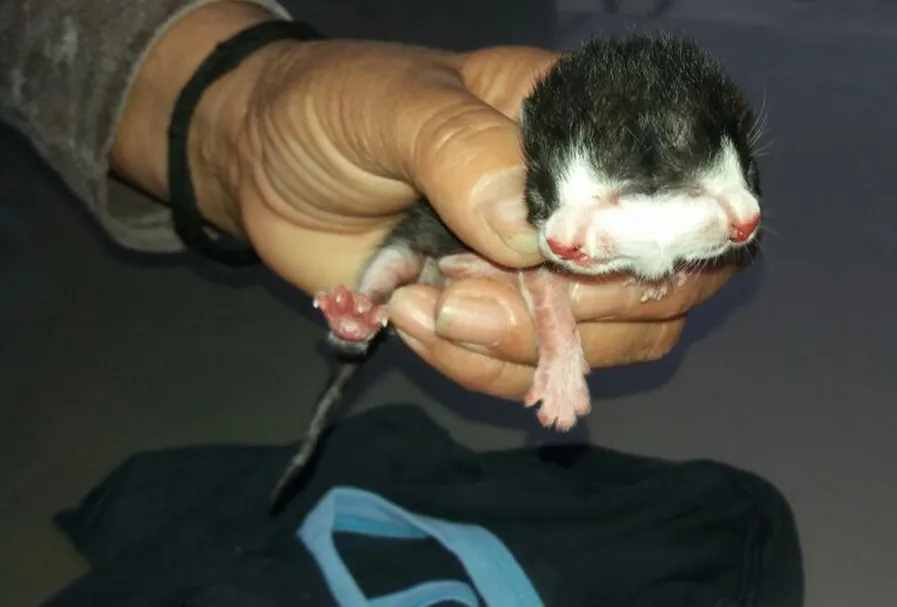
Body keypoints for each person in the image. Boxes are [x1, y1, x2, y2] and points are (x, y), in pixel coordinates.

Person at [0, 0, 740, 403]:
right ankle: (376, 294)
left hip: (422, 244)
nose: (569, 239)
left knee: (420, 268)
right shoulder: (544, 185)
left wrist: (239, 125)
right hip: (440, 241)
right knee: (412, 249)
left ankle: (374, 298)